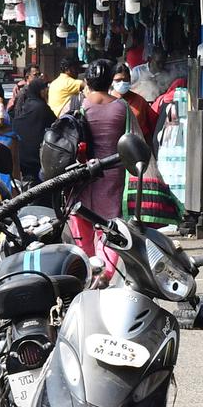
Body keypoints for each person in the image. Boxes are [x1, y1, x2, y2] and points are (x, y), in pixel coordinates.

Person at [70, 59, 128, 283]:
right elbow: (134, 141)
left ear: (87, 81)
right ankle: (105, 273)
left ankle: (87, 266)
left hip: (80, 173)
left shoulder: (77, 104)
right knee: (109, 225)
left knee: (81, 221)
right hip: (112, 173)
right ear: (110, 81)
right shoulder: (122, 107)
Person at [12, 78, 54, 182]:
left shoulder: (24, 104)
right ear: (39, 91)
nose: (47, 92)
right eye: (45, 89)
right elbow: (56, 124)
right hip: (36, 158)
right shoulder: (41, 107)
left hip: (21, 156)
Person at [113, 63, 156, 143]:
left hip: (138, 147)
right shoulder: (108, 101)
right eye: (118, 80)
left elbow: (150, 128)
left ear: (130, 80)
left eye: (125, 80)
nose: (122, 83)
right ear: (112, 81)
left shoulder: (140, 101)